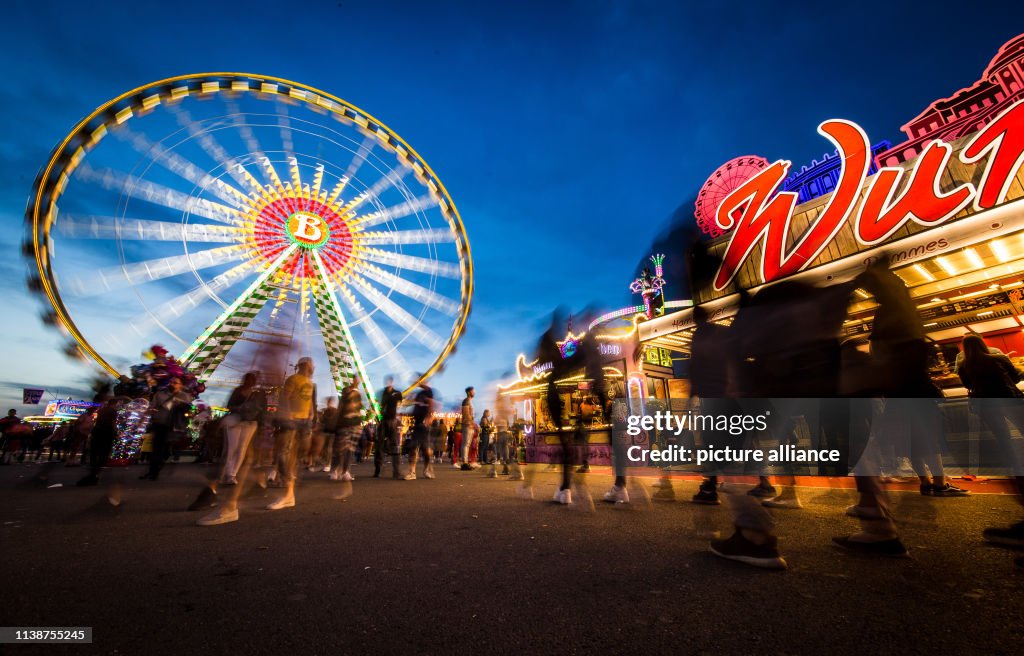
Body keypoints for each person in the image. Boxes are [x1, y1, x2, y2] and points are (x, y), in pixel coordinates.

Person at [957, 333, 1024, 561]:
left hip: (987, 406)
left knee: (1006, 444)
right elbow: (1016, 377)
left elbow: (967, 385)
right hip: (1011, 400)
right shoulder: (998, 358)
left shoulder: (964, 365)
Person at [267, 357, 317, 510]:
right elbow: (285, 398)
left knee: (296, 456)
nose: (312, 367)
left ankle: (289, 493)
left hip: (304, 421)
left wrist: (312, 413)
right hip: (292, 420)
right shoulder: (293, 379)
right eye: (310, 365)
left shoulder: (310, 383)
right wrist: (287, 413)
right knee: (283, 454)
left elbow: (309, 400)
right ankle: (287, 486)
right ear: (303, 365)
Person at [140, 377, 192, 481]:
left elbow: (188, 411)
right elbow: (152, 407)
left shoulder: (184, 396)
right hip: (159, 424)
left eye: (175, 383)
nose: (172, 384)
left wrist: (180, 405)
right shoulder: (160, 394)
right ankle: (153, 472)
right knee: (156, 449)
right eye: (171, 382)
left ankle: (157, 467)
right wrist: (150, 412)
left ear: (180, 385)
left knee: (165, 450)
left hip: (174, 427)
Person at [220, 372, 266, 485]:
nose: (250, 382)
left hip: (250, 422)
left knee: (242, 448)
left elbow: (263, 408)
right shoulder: (238, 391)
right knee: (233, 447)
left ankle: (232, 474)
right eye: (248, 379)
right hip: (236, 419)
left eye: (252, 380)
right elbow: (230, 405)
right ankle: (229, 472)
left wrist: (259, 419)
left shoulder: (258, 393)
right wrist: (241, 407)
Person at [332, 376, 363, 483]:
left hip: (355, 423)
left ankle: (344, 471)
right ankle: (336, 469)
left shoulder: (358, 393)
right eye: (356, 379)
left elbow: (358, 408)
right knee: (342, 448)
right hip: (345, 423)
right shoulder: (347, 391)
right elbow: (342, 406)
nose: (358, 381)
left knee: (349, 449)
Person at [404, 378, 436, 480]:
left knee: (426, 450)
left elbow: (431, 404)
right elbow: (414, 408)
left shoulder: (428, 392)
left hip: (424, 425)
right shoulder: (418, 395)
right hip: (417, 424)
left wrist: (429, 417)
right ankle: (412, 472)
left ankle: (426, 469)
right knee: (413, 447)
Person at [374, 376, 403, 479]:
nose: (387, 383)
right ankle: (378, 470)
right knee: (380, 445)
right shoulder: (383, 393)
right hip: (385, 420)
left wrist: (397, 417)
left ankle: (396, 471)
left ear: (391, 382)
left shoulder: (396, 393)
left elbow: (400, 405)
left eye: (389, 381)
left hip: (391, 420)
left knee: (393, 445)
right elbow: (378, 404)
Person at [460, 387, 476, 470]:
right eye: (473, 391)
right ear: (469, 392)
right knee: (465, 444)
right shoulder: (466, 401)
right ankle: (464, 463)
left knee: (467, 444)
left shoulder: (469, 401)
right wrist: (470, 423)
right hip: (467, 425)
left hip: (469, 425)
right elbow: (466, 413)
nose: (474, 392)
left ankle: (465, 462)